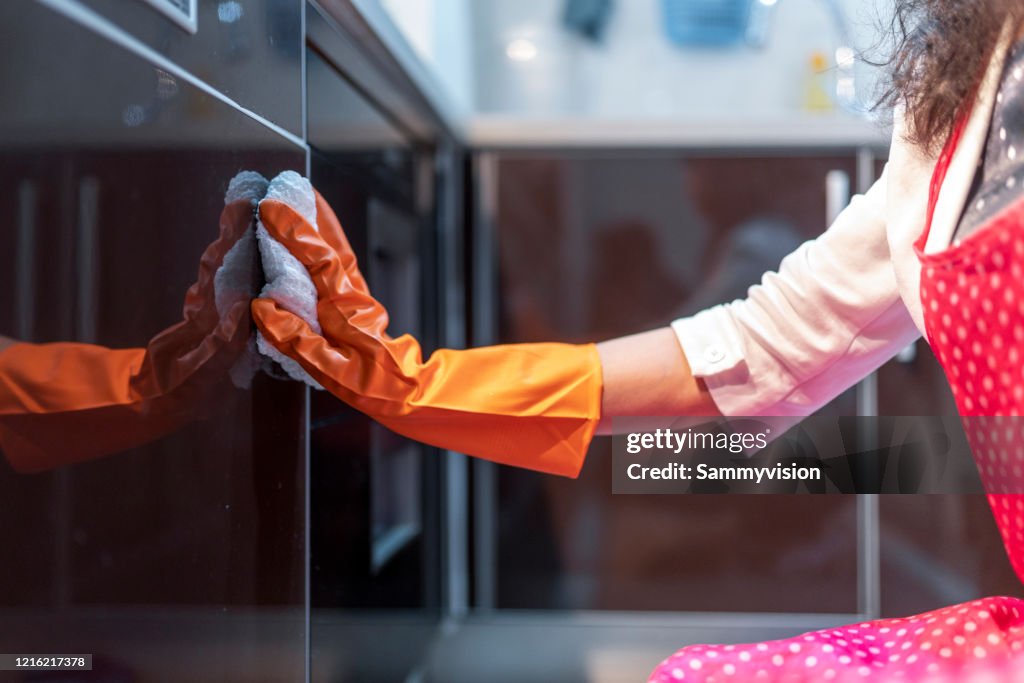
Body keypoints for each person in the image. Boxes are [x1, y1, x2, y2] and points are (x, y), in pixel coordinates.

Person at [251, 1, 1024, 679]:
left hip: (814, 490)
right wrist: (418, 383)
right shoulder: (952, 112)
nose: (691, 182)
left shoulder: (753, 237)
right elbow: (762, 350)